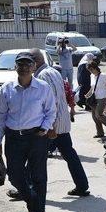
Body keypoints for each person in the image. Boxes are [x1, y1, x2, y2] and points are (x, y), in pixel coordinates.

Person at [0, 52, 56, 212]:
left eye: (28, 64)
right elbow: (1, 117)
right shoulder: (7, 89)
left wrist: (45, 127)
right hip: (13, 138)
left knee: (38, 177)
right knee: (15, 176)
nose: (24, 67)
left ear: (34, 67)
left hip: (37, 138)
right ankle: (34, 203)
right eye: (20, 64)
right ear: (15, 67)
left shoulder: (43, 87)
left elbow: (51, 111)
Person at [30, 49, 90, 197]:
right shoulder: (53, 71)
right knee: (69, 154)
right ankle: (82, 185)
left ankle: (25, 188)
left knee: (35, 157)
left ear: (35, 62)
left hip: (52, 125)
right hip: (60, 123)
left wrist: (50, 127)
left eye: (28, 63)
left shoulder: (43, 76)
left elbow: (53, 102)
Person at [86, 62, 106, 138]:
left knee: (98, 115)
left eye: (91, 69)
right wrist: (88, 94)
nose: (91, 71)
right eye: (89, 70)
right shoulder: (91, 76)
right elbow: (92, 87)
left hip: (102, 98)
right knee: (94, 117)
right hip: (94, 99)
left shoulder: (103, 76)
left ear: (95, 68)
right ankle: (100, 133)